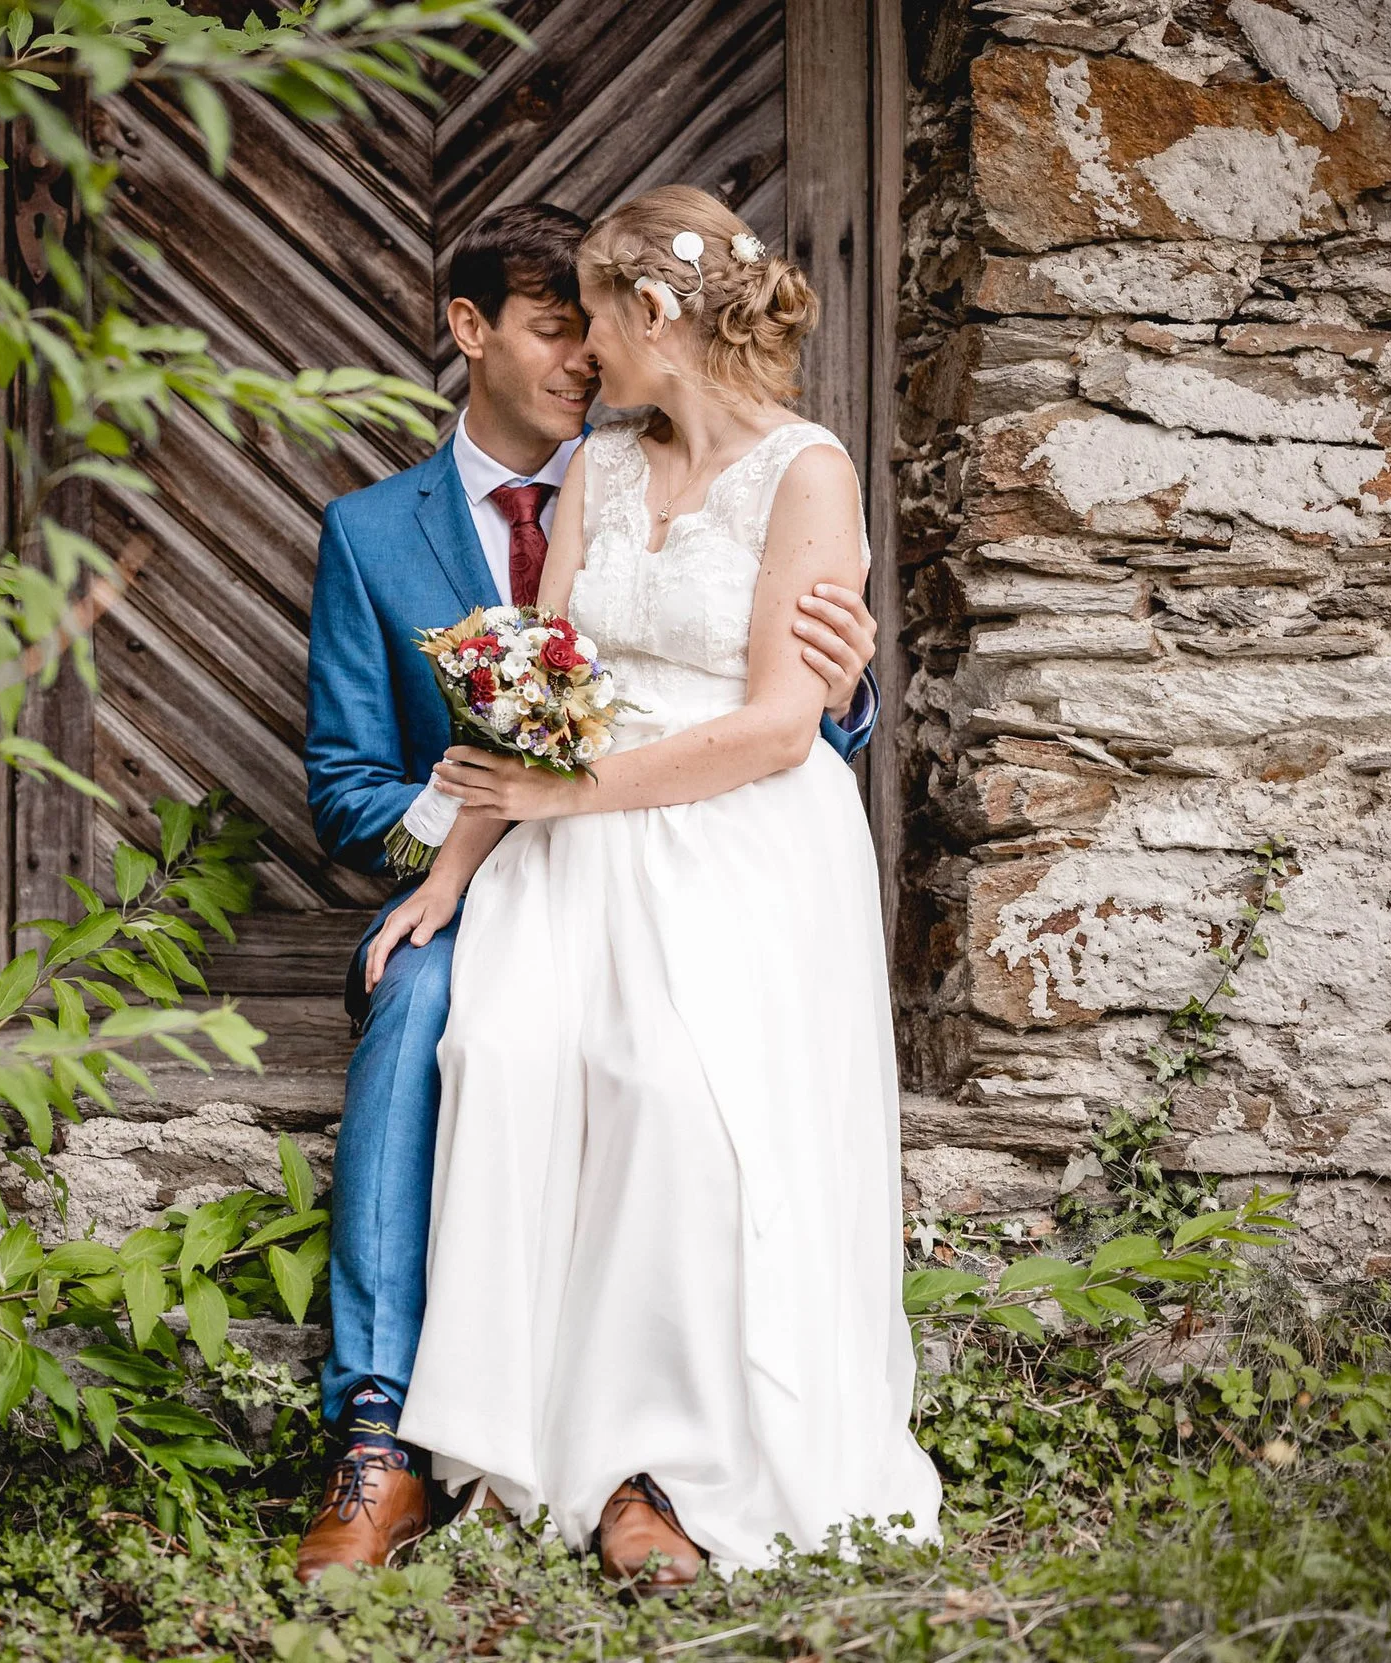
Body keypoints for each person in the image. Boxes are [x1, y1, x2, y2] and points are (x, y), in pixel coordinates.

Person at [357, 184, 941, 1587]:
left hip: (736, 835)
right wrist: (451, 865)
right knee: (498, 1047)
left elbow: (779, 726)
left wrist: (571, 795)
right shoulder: (601, 470)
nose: (583, 361)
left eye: (597, 324)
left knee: (672, 1095)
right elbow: (540, 684)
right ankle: (509, 1436)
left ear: (657, 316)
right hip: (579, 844)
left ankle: (660, 1470)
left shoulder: (810, 472)